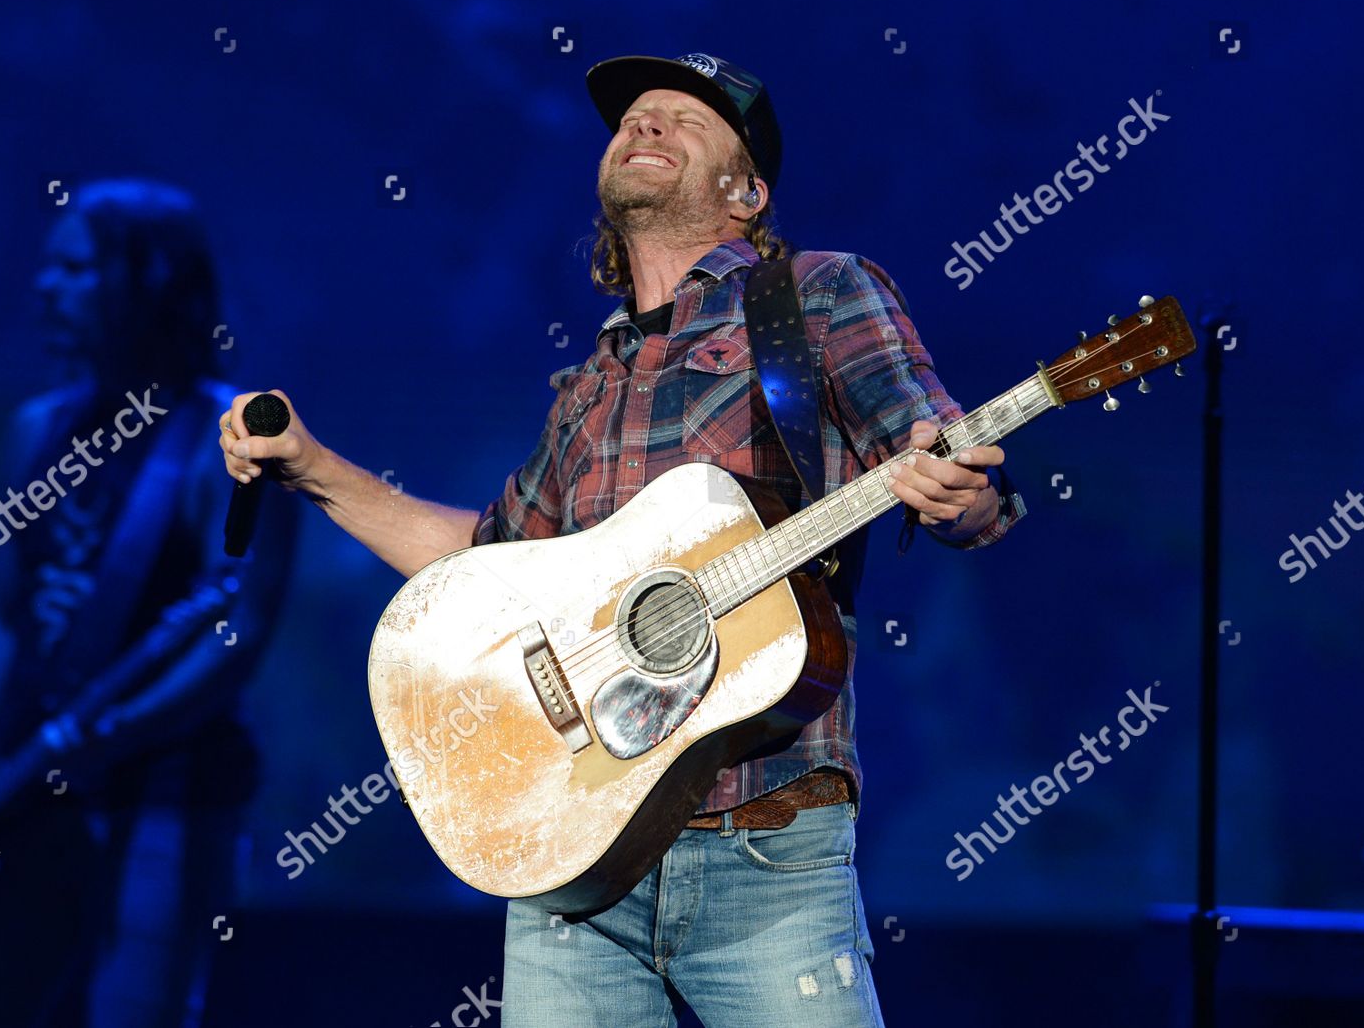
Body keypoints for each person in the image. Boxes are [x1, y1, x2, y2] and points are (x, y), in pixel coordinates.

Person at [217, 53, 1024, 1026]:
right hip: (572, 862)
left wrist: (957, 492)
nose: (646, 123)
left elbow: (942, 458)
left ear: (746, 190)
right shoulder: (590, 382)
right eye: (634, 116)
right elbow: (487, 566)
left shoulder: (812, 295)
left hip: (762, 840)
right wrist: (311, 466)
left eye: (684, 119)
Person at [0, 179, 298, 1027]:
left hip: (167, 789)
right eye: (49, 268)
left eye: (77, 268)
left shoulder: (235, 431)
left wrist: (114, 734)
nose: (47, 287)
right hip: (24, 783)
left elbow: (239, 628)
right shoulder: (35, 427)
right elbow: (5, 620)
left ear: (150, 279)